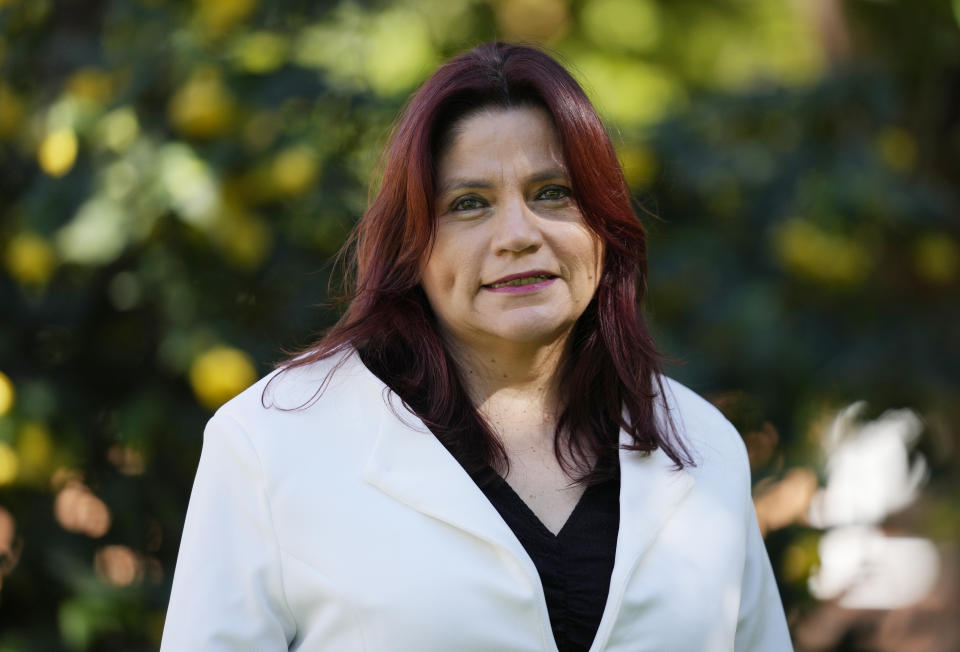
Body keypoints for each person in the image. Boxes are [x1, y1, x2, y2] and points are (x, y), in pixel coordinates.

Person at [161, 42, 792, 651]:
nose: (517, 234)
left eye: (553, 193)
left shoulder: (704, 448)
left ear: (604, 222)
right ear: (412, 244)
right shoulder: (270, 444)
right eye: (469, 203)